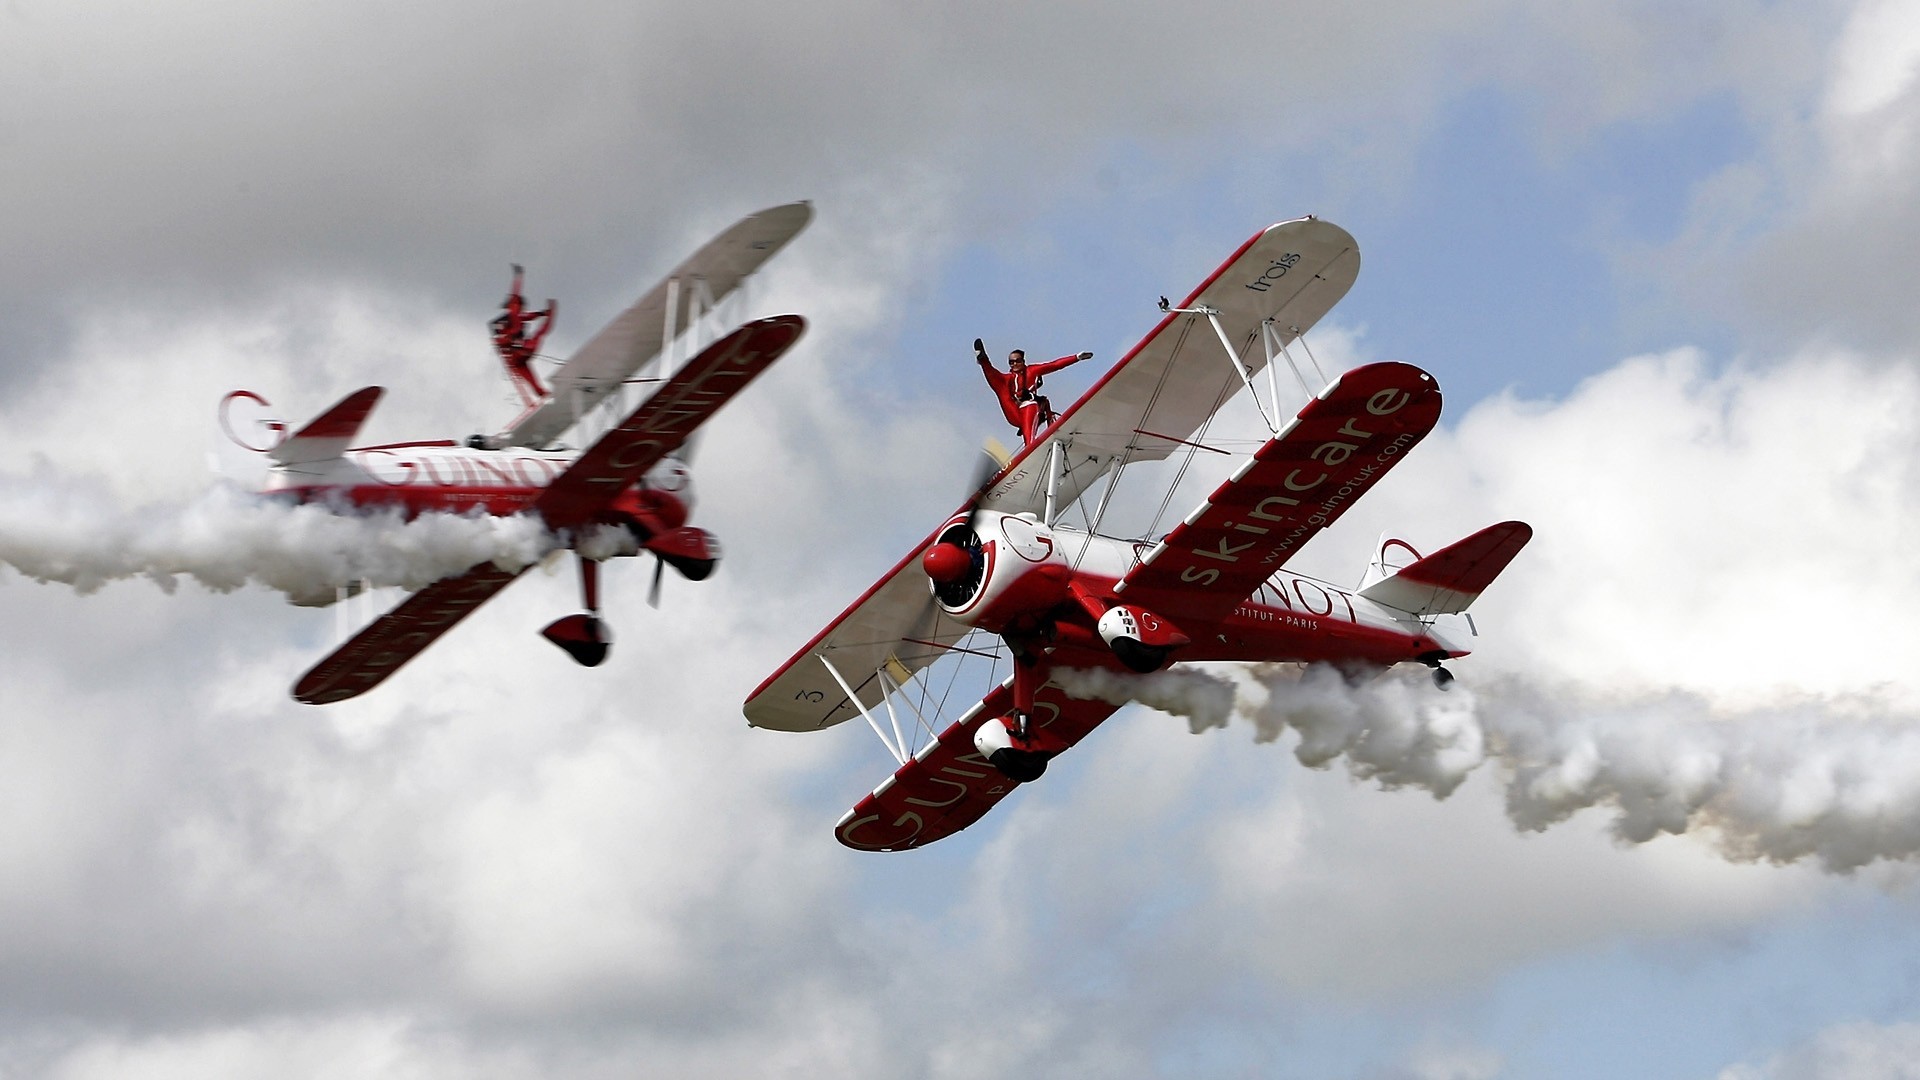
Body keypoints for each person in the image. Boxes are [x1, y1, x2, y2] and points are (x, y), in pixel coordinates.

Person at [973, 338, 1093, 443]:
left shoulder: (1032, 371)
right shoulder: (1008, 378)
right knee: (1000, 387)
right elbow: (994, 377)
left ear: (1023, 361)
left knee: (1030, 403)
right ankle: (983, 360)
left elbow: (1054, 365)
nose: (1014, 364)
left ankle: (1031, 443)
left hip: (1031, 409)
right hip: (1014, 412)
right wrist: (985, 364)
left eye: (1017, 361)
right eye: (1011, 362)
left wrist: (1076, 357)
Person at [491, 264, 557, 401]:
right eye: (522, 307)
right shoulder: (514, 314)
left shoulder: (520, 317)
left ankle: (541, 393)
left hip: (521, 355)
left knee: (532, 380)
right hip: (516, 355)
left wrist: (544, 313)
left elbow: (531, 316)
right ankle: (536, 396)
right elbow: (516, 295)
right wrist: (519, 276)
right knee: (536, 334)